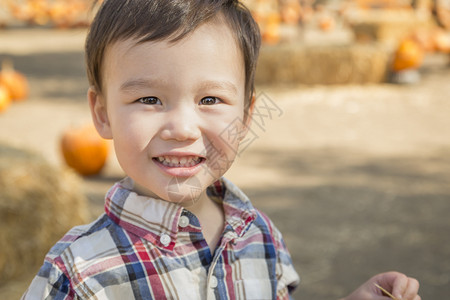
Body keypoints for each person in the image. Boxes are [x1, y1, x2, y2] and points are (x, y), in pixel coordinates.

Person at [23, 0, 420, 299]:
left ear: (246, 116)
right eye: (149, 99)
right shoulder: (79, 272)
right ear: (102, 113)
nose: (181, 129)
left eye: (210, 100)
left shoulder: (259, 236)